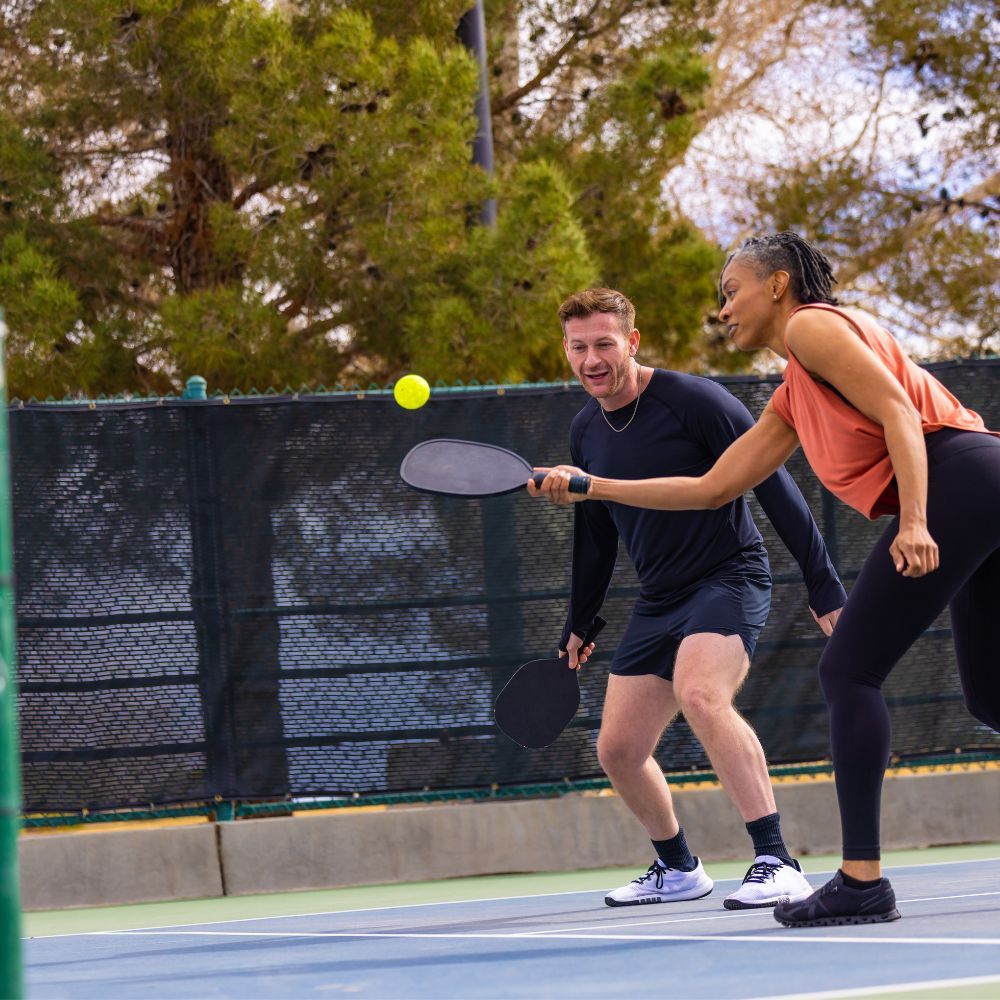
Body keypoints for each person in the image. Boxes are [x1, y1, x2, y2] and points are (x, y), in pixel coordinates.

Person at [532, 235, 1000, 928]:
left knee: (848, 672)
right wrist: (592, 486)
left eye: (733, 290)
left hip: (958, 481)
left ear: (778, 285)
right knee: (990, 696)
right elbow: (710, 487)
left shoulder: (813, 326)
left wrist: (915, 521)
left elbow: (902, 411)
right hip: (978, 485)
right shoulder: (793, 395)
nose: (724, 309)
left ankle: (861, 881)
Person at [540, 287, 846, 911]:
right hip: (660, 595)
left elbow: (777, 486)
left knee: (702, 694)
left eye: (604, 344)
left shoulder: (694, 400)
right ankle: (678, 868)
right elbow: (596, 531)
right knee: (618, 750)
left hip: (729, 576)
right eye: (579, 347)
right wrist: (580, 620)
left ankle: (776, 860)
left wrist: (823, 584)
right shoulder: (584, 430)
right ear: (566, 351)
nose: (592, 358)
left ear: (632, 341)